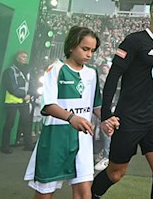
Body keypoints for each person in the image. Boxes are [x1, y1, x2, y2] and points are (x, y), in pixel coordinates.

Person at [91, 0, 153, 199]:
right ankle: (90, 195)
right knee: (116, 173)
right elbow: (113, 77)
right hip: (129, 117)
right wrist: (106, 115)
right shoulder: (134, 41)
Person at [24, 26, 102, 199]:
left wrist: (107, 119)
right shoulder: (55, 69)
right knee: (45, 192)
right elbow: (48, 105)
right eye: (85, 49)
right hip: (55, 138)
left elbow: (96, 105)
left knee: (83, 191)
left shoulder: (93, 73)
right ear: (71, 46)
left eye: (92, 50)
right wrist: (71, 118)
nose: (89, 54)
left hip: (83, 138)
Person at [2, 50, 34, 154]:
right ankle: (5, 147)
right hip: (12, 102)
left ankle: (28, 145)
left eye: (26, 56)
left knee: (26, 123)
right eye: (23, 56)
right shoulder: (9, 71)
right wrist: (25, 95)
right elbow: (11, 87)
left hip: (24, 101)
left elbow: (31, 84)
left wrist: (30, 94)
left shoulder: (28, 71)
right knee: (9, 123)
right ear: (17, 58)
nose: (25, 58)